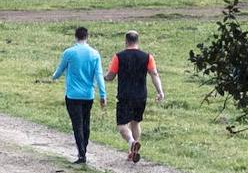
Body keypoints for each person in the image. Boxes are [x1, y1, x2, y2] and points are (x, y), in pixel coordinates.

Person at [105, 30, 164, 163]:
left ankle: (132, 143)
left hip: (125, 95)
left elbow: (110, 76)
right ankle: (133, 151)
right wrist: (160, 91)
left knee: (121, 125)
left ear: (126, 41)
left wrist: (101, 77)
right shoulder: (147, 57)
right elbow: (154, 74)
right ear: (137, 41)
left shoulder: (118, 57)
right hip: (141, 95)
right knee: (135, 123)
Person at [51, 26, 106, 164]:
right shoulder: (94, 54)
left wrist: (54, 77)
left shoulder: (69, 52)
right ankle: (84, 149)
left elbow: (59, 70)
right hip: (88, 95)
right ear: (87, 37)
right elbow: (99, 75)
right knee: (86, 122)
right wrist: (103, 94)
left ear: (75, 37)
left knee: (77, 124)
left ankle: (81, 154)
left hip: (73, 95)